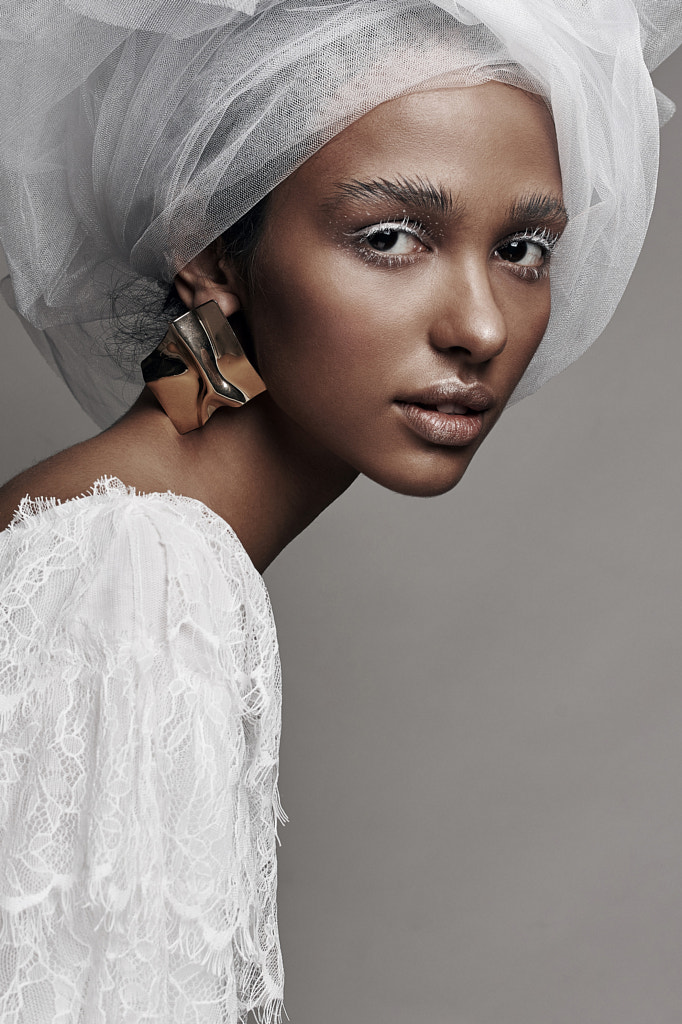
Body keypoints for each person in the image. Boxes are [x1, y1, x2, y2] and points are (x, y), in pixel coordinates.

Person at [0, 1, 680, 1021]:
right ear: (211, 252)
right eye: (391, 236)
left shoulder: (124, 509)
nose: (482, 325)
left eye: (523, 249)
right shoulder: (138, 568)